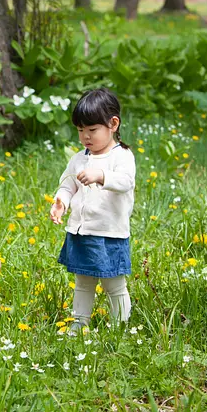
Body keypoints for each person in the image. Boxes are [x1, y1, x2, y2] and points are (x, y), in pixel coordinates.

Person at [49, 88, 136, 336]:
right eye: (80, 130)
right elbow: (68, 184)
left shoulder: (122, 157)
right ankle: (79, 322)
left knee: (113, 283)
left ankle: (120, 326)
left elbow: (125, 182)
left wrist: (101, 176)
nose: (85, 136)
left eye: (92, 130)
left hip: (109, 232)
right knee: (83, 281)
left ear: (113, 124)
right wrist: (61, 201)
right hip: (81, 230)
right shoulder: (79, 158)